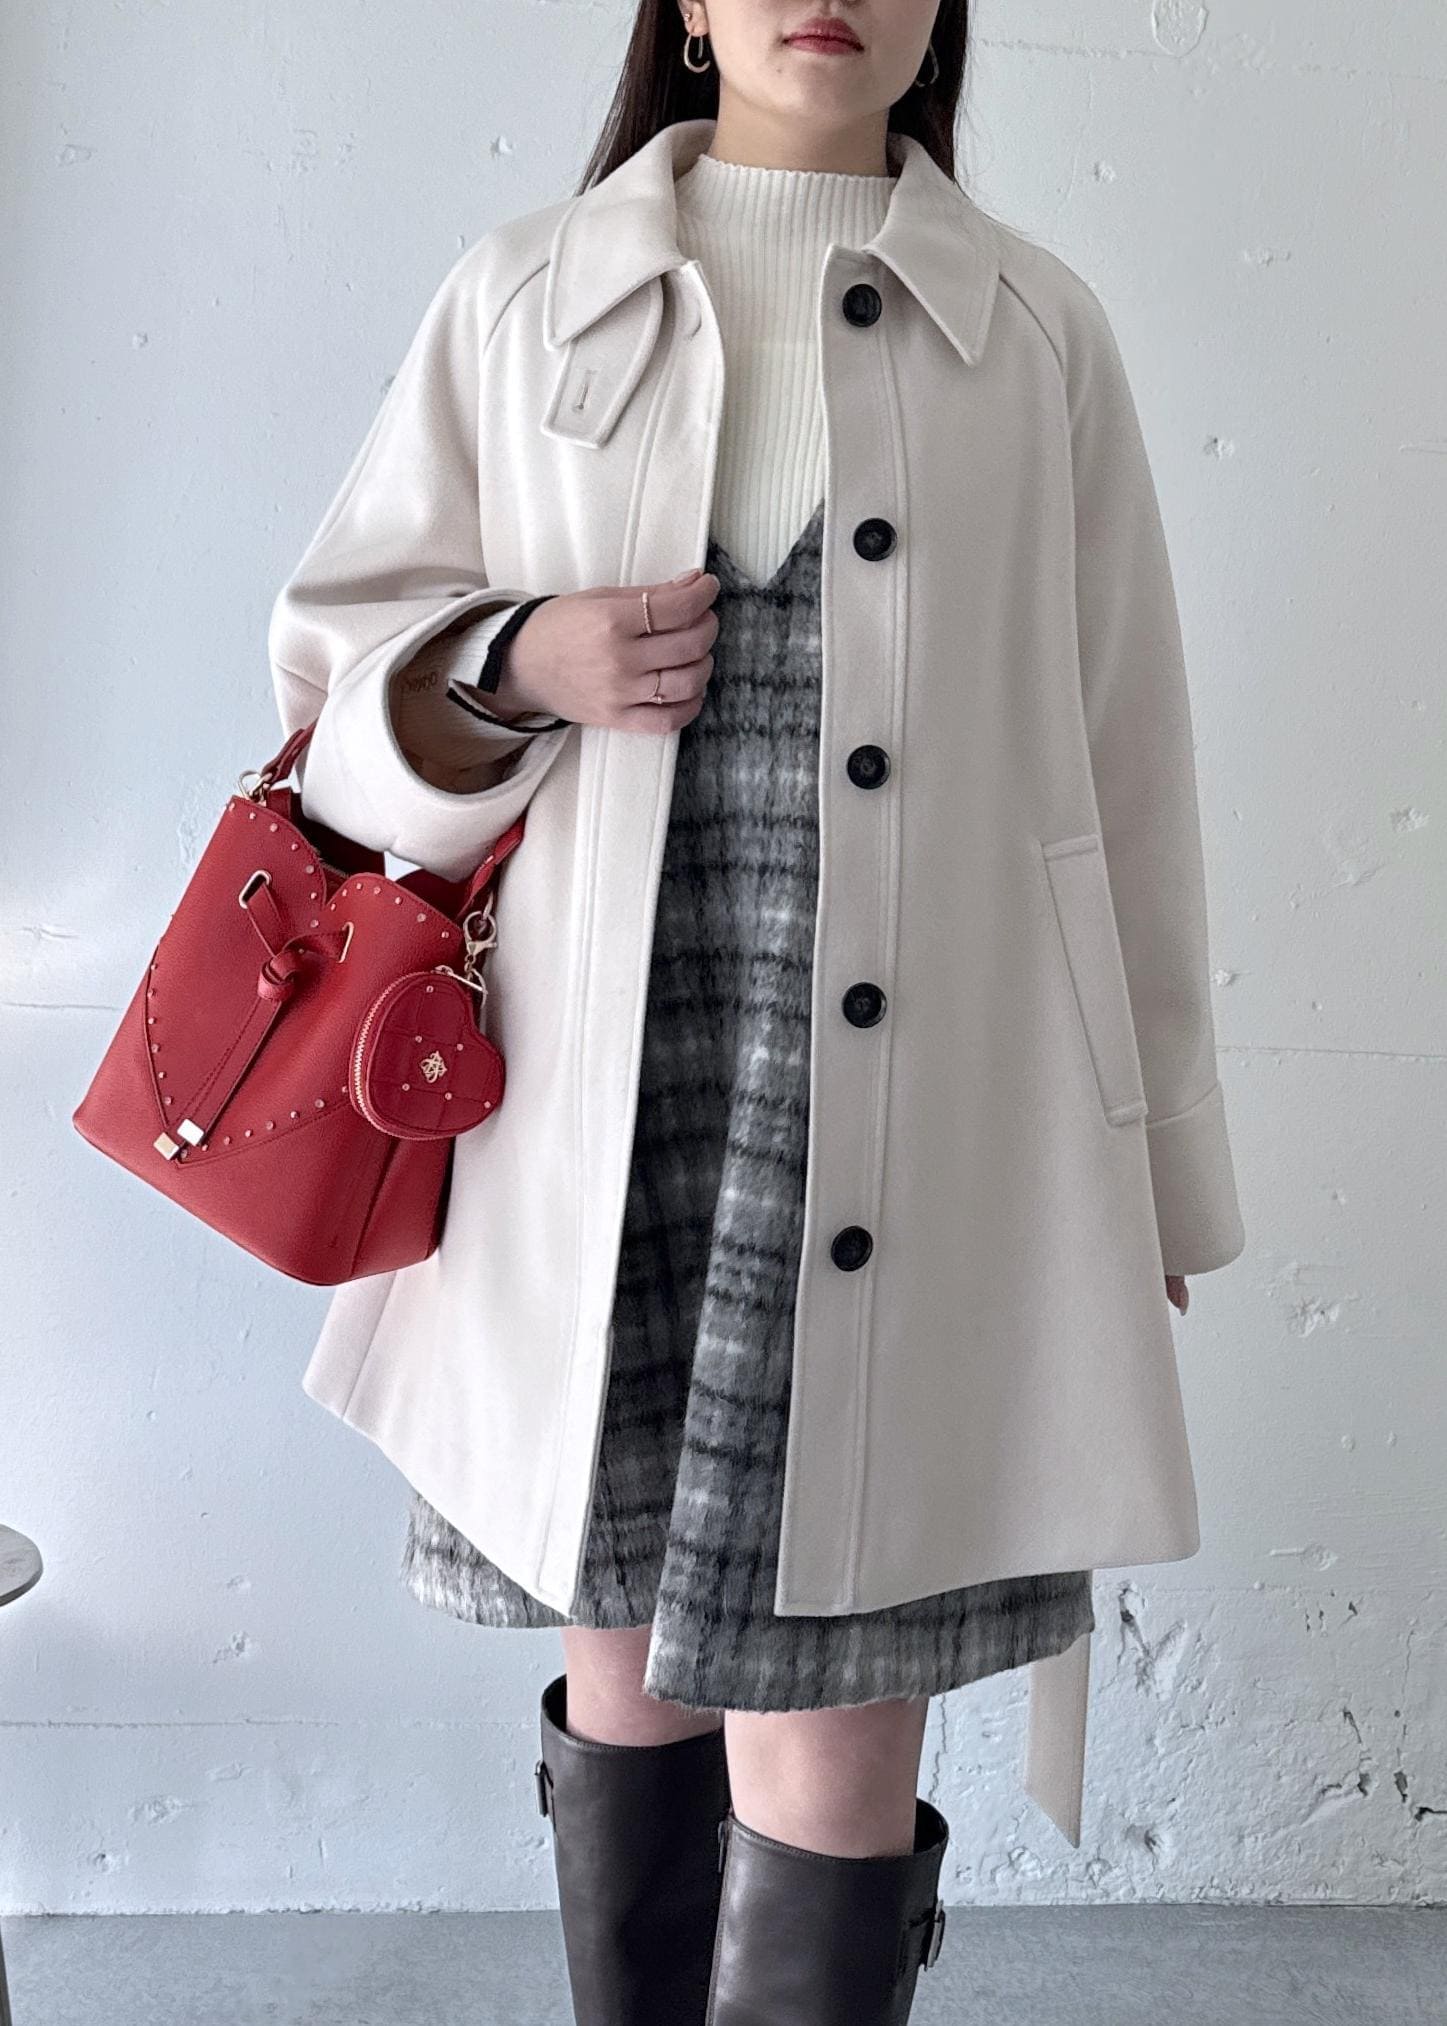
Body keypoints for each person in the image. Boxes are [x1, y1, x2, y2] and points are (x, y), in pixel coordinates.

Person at [268, 4, 1246, 2020]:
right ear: (690, 11)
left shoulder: (1034, 337)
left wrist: (1154, 1167)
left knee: (836, 1742)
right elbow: (325, 702)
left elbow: (1125, 782)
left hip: (923, 1135)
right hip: (587, 1134)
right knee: (625, 1677)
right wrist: (513, 657)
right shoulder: (523, 299)